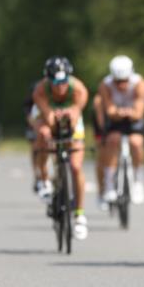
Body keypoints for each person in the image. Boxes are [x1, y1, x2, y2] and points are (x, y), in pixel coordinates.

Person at [32, 57, 90, 240]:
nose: (60, 86)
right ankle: (43, 178)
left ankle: (79, 215)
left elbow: (75, 113)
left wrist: (69, 115)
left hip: (71, 118)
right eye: (55, 82)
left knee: (75, 166)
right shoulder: (40, 90)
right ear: (48, 79)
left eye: (64, 81)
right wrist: (52, 122)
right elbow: (48, 117)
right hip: (46, 115)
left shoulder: (79, 89)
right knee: (43, 135)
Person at [98, 55, 144, 206]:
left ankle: (138, 181)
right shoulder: (105, 85)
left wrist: (126, 113)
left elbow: (139, 112)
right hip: (115, 121)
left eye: (125, 81)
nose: (121, 85)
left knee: (136, 142)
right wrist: (118, 113)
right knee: (112, 140)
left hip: (134, 120)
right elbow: (109, 110)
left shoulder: (140, 83)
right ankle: (109, 184)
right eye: (118, 81)